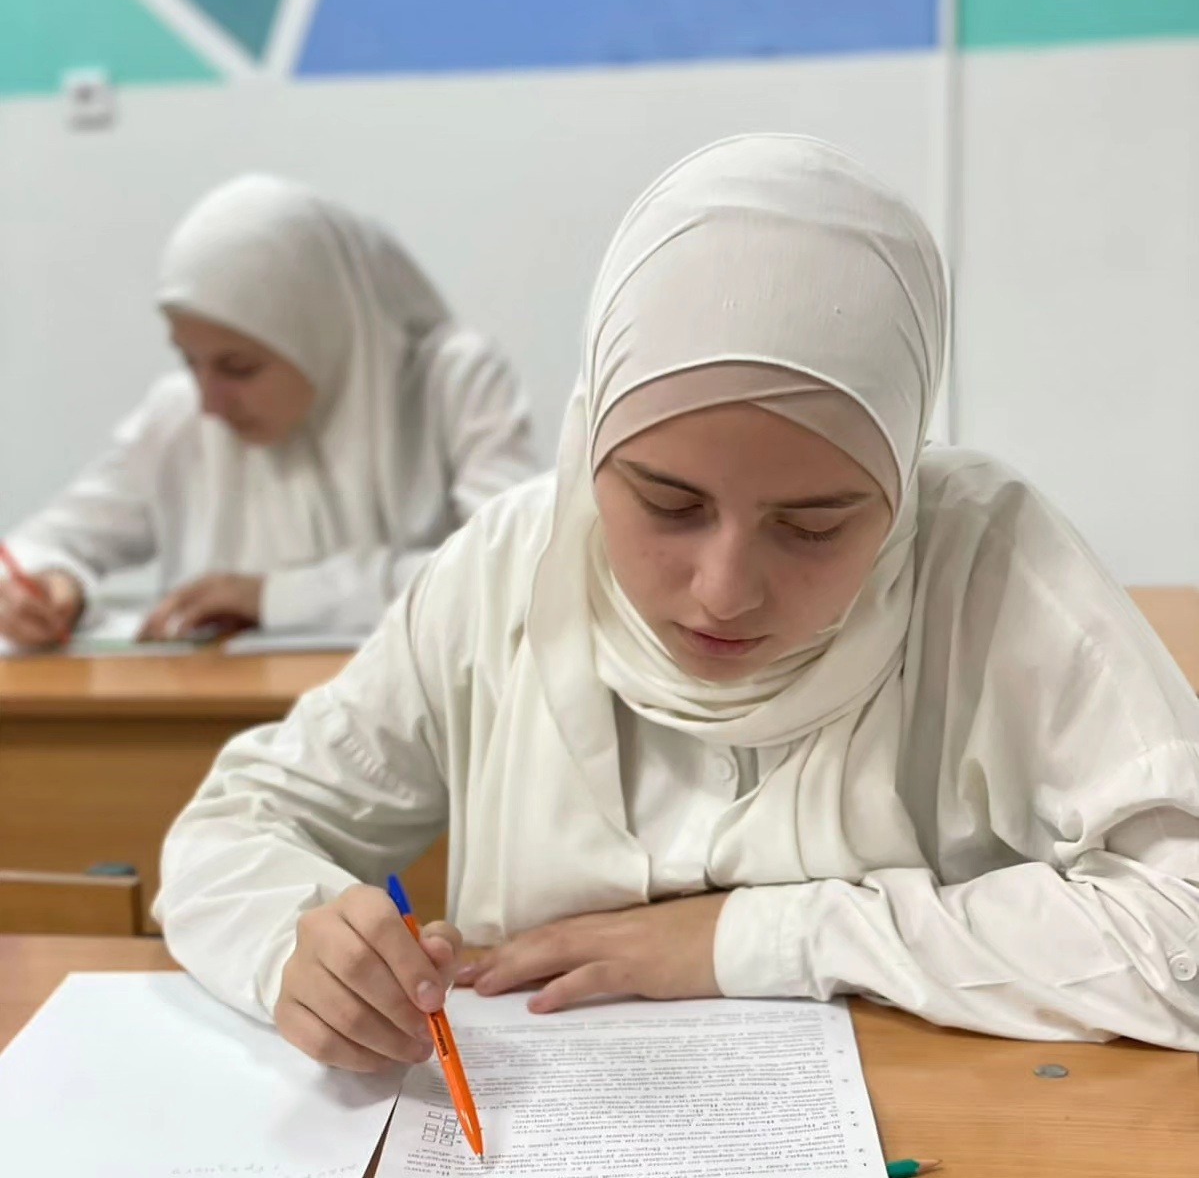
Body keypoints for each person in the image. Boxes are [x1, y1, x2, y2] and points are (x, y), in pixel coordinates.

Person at [156, 135, 1199, 1072]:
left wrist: (755, 938)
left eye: (814, 524)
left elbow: (1184, 926)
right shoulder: (505, 569)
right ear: (589, 447)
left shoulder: (981, 564)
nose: (724, 589)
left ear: (899, 489)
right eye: (668, 503)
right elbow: (233, 828)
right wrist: (294, 946)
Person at [0, 175, 538, 645]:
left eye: (239, 367)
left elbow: (513, 568)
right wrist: (52, 583)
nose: (210, 403)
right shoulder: (179, 416)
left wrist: (275, 599)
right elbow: (43, 543)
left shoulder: (452, 381)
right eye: (190, 362)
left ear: (323, 333)